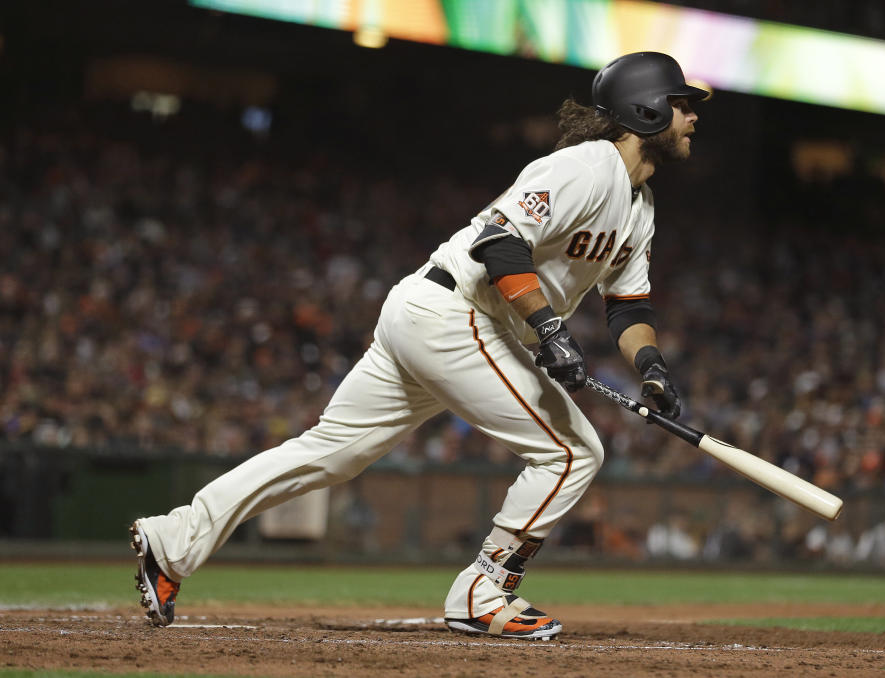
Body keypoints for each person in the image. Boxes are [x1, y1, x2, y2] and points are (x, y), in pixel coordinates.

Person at [130, 51, 706, 640]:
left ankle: (173, 540)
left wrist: (651, 367)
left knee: (332, 452)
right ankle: (484, 591)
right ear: (647, 107)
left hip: (433, 315)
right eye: (682, 104)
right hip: (454, 314)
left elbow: (628, 306)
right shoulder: (587, 167)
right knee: (573, 454)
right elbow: (499, 244)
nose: (692, 117)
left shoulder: (640, 205)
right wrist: (552, 329)